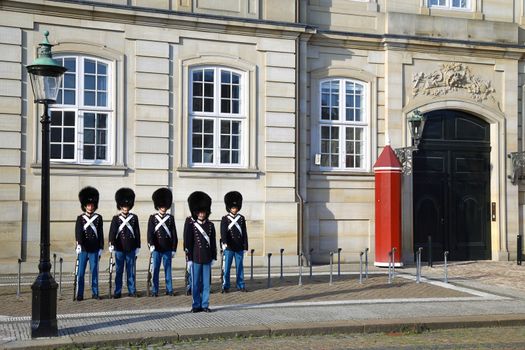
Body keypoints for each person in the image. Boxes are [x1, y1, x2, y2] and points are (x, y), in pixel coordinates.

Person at [183, 191, 217, 313]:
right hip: (196, 258)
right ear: (196, 212)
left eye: (203, 212)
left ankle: (205, 304)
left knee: (206, 284)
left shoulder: (211, 226)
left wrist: (214, 256)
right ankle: (196, 304)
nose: (201, 214)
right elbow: (188, 242)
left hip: (207, 257)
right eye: (199, 212)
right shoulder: (192, 225)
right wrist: (189, 258)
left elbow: (213, 242)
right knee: (196, 284)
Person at [108, 187, 141, 298]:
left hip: (131, 247)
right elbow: (112, 232)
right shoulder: (116, 218)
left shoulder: (134, 217)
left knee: (130, 271)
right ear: (120, 206)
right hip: (119, 248)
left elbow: (137, 232)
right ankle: (118, 291)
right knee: (119, 271)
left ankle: (132, 290)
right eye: (123, 205)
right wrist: (111, 243)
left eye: (127, 205)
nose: (125, 207)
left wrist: (138, 246)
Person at [75, 186, 104, 301]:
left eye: (92, 205)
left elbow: (100, 233)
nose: (90, 206)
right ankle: (80, 294)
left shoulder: (98, 218)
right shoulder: (80, 218)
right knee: (80, 273)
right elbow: (78, 233)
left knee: (94, 273)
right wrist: (78, 244)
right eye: (88, 205)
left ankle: (95, 292)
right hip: (83, 249)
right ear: (85, 205)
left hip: (94, 249)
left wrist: (101, 247)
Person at [147, 187, 178, 297]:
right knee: (155, 270)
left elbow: (174, 234)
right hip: (156, 249)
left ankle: (169, 289)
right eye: (161, 206)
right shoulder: (153, 218)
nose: (163, 208)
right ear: (158, 206)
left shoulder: (170, 218)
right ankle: (155, 290)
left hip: (167, 248)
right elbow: (150, 233)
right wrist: (151, 244)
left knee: (168, 270)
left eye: (165, 205)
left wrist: (174, 248)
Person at [220, 191, 248, 293]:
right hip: (229, 247)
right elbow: (223, 232)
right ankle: (225, 286)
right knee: (226, 268)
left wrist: (245, 246)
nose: (234, 209)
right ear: (229, 208)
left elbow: (244, 232)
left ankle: (241, 285)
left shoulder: (241, 218)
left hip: (239, 246)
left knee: (240, 268)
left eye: (235, 208)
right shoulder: (225, 219)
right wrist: (224, 242)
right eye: (232, 208)